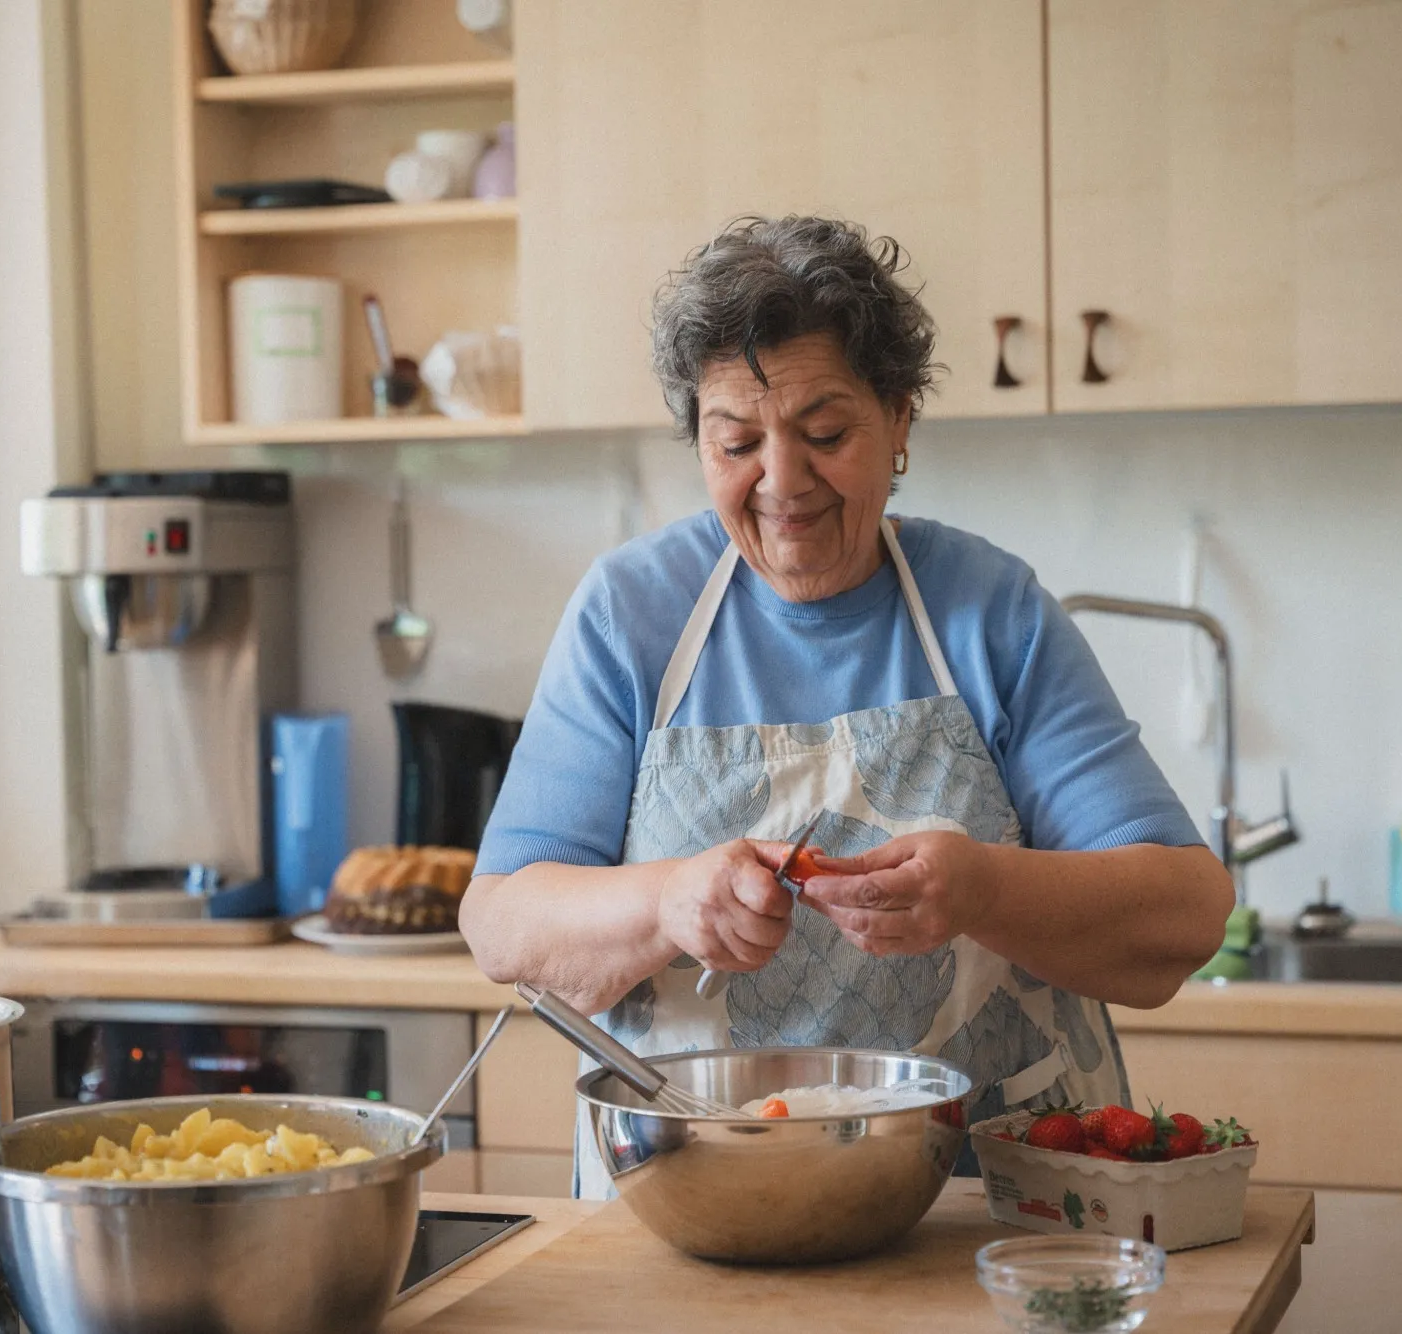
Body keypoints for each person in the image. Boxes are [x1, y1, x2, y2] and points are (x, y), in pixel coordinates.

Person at [459, 216, 1232, 1196]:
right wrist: (667, 899)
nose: (781, 482)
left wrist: (985, 890)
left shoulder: (989, 612)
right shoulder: (629, 617)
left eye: (823, 433)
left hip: (983, 1216)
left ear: (899, 419)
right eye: (735, 440)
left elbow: (1183, 913)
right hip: (695, 1213)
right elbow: (501, 922)